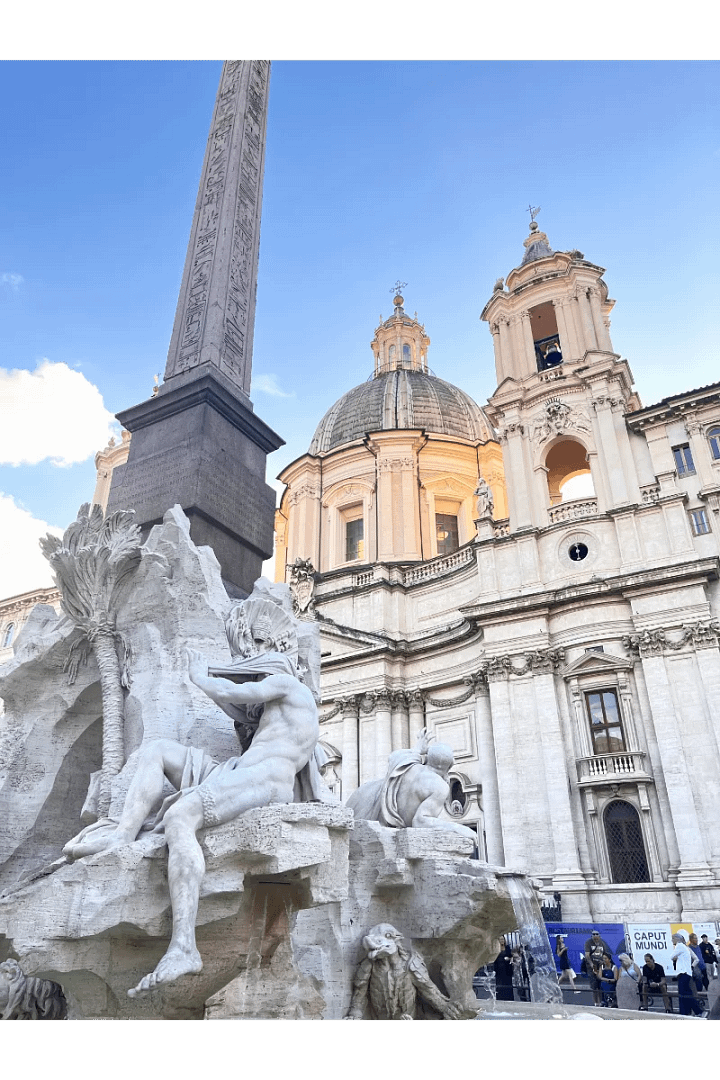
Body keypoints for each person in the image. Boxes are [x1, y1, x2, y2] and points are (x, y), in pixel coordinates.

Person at [63, 597, 327, 997]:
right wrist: (210, 683)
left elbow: (232, 690)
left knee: (182, 814)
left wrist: (199, 674)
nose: (251, 657)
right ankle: (122, 836)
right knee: (158, 752)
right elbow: (238, 705)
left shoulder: (289, 684)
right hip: (240, 772)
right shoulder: (278, 700)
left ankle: (184, 946)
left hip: (266, 782)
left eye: (254, 649)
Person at [347, 730, 477, 844]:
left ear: (427, 757)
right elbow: (420, 821)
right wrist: (458, 828)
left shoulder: (408, 762)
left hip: (362, 805)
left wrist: (417, 749)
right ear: (451, 765)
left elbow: (393, 756)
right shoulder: (439, 786)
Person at [671, 932, 704, 1016]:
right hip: (688, 972)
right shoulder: (686, 948)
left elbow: (671, 956)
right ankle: (688, 1012)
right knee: (686, 993)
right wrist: (691, 967)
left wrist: (675, 958)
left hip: (683, 972)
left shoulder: (679, 946)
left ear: (677, 939)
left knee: (684, 994)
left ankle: (695, 1011)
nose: (672, 941)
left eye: (673, 939)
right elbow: (696, 959)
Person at [584, 930, 613, 1006]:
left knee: (600, 985)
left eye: (597, 935)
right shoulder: (588, 943)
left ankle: (601, 1002)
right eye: (594, 935)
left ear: (599, 936)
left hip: (600, 966)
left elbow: (604, 954)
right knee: (594, 986)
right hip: (591, 967)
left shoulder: (602, 943)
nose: (595, 936)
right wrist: (591, 964)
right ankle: (596, 1003)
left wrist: (604, 963)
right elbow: (587, 955)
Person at [492, 936, 514, 1002]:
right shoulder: (496, 948)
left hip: (506, 969)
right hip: (499, 969)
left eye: (503, 939)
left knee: (507, 983)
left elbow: (511, 956)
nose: (502, 941)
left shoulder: (507, 948)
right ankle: (500, 998)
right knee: (499, 984)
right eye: (500, 939)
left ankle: (509, 998)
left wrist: (508, 958)